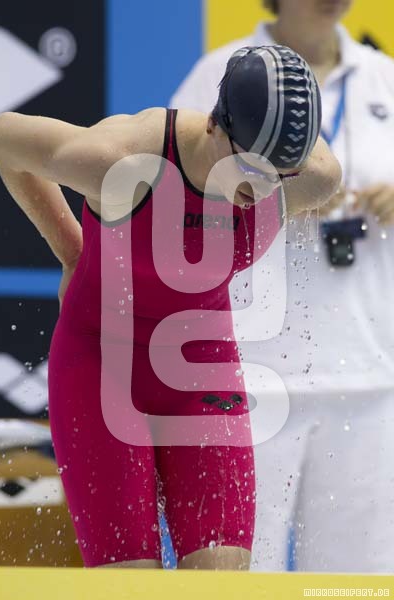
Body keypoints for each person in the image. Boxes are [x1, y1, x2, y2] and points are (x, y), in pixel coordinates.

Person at [0, 45, 340, 571]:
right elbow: (5, 139)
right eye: (248, 168)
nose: (258, 190)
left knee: (220, 586)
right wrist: (71, 252)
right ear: (214, 125)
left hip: (202, 371)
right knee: (130, 584)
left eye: (278, 176)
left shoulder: (312, 178)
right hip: (100, 368)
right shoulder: (123, 160)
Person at [171, 0, 394, 573]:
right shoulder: (219, 71)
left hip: (368, 376)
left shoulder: (384, 78)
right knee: (242, 574)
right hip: (251, 376)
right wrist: (272, 200)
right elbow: (173, 192)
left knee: (357, 582)